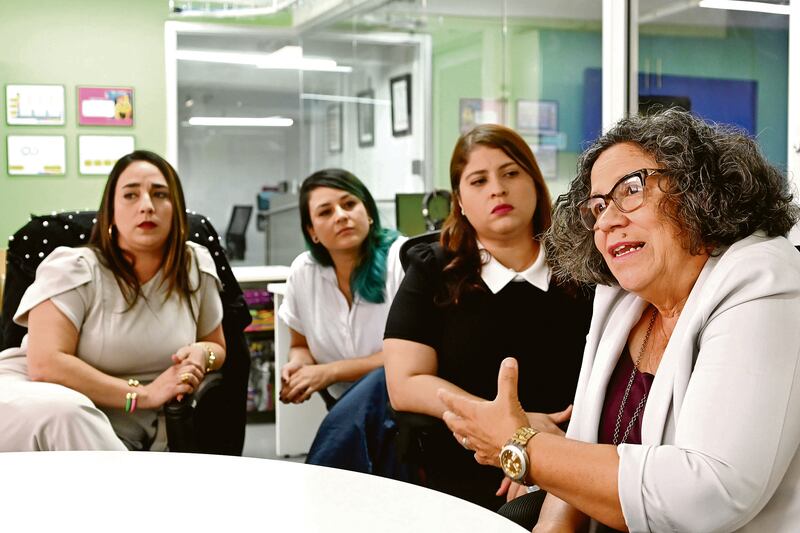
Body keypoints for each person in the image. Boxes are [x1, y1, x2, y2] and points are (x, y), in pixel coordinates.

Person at [438, 109, 800, 532]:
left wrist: (521, 447)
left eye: (631, 189)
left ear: (698, 187)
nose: (608, 220)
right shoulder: (619, 294)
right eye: (597, 205)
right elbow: (582, 446)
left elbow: (710, 493)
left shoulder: (764, 279)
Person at [383, 124, 593, 510]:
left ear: (534, 182)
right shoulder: (432, 269)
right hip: (466, 465)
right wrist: (512, 430)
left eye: (511, 173)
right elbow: (405, 382)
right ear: (460, 202)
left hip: (577, 456)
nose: (498, 188)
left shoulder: (585, 266)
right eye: (478, 181)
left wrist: (543, 457)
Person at [0, 150, 226, 451]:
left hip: (125, 424)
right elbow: (45, 365)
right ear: (111, 212)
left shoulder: (195, 267)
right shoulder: (74, 267)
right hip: (39, 396)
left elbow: (217, 347)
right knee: (67, 414)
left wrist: (201, 354)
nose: (147, 206)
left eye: (160, 194)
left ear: (176, 209)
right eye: (131, 195)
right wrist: (143, 395)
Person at [278, 168, 407, 476]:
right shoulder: (303, 271)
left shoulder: (400, 259)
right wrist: (298, 365)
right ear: (312, 231)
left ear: (369, 213)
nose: (341, 216)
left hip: (400, 402)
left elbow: (405, 357)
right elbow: (300, 344)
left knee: (378, 381)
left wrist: (327, 372)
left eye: (349, 204)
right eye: (326, 211)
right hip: (346, 408)